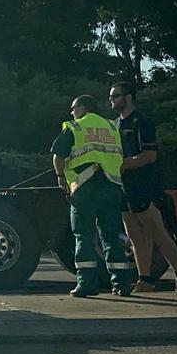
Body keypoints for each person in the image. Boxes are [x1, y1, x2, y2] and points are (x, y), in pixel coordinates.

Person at [110, 81, 177, 293]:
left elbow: (149, 156)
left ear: (128, 97)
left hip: (144, 186)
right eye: (111, 97)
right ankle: (145, 280)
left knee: (157, 231)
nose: (111, 100)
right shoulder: (115, 125)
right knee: (135, 236)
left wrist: (123, 164)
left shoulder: (142, 122)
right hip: (124, 188)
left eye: (115, 96)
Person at [51, 94, 134, 297]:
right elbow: (124, 156)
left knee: (84, 236)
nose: (72, 112)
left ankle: (86, 284)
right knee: (112, 236)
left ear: (83, 108)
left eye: (74, 108)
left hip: (84, 187)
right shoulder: (111, 127)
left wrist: (61, 177)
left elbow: (58, 156)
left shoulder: (75, 127)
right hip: (111, 186)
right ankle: (122, 285)